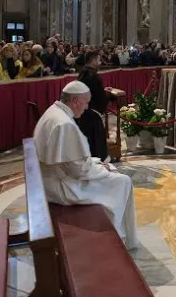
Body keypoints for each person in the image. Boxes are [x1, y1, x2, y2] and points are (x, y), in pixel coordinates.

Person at [33, 81, 139, 249]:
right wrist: (101, 168)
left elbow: (71, 162)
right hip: (61, 187)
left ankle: (117, 234)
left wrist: (95, 163)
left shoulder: (54, 113)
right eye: (86, 102)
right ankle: (115, 238)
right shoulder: (64, 124)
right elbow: (80, 170)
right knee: (123, 181)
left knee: (114, 177)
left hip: (50, 180)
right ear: (75, 101)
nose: (87, 107)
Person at [76, 51, 110, 160]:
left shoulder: (83, 72)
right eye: (99, 59)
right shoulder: (93, 76)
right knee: (95, 143)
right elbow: (99, 97)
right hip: (92, 114)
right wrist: (109, 96)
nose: (100, 62)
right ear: (93, 60)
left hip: (84, 112)